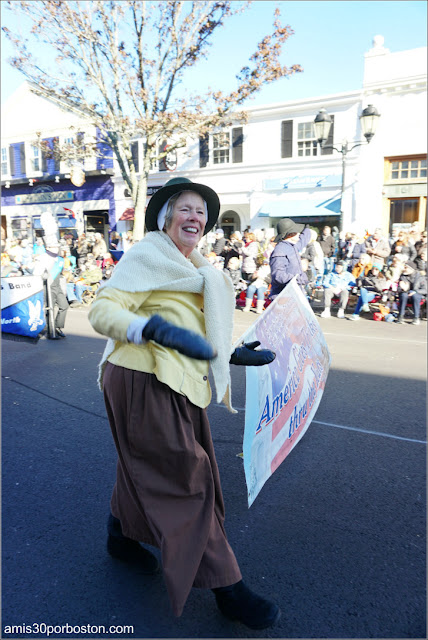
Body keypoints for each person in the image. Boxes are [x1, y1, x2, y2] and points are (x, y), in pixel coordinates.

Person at [88, 176, 280, 629]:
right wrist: (146, 329)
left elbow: (191, 330)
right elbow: (101, 308)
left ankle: (120, 534)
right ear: (165, 216)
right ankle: (226, 587)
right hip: (142, 375)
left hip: (180, 380)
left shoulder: (195, 267)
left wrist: (230, 352)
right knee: (186, 477)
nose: (195, 218)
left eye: (201, 213)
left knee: (146, 463)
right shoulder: (148, 254)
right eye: (186, 209)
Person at [269, 218, 311, 301]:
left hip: (293, 296)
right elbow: (279, 276)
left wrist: (307, 228)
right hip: (283, 299)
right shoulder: (280, 251)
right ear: (290, 234)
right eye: (296, 232)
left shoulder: (292, 246)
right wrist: (299, 278)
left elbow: (304, 239)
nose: (299, 233)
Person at [396, 260, 427, 325]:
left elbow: (425, 290)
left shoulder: (420, 277)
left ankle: (416, 317)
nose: (404, 269)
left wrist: (415, 291)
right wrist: (402, 289)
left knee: (415, 296)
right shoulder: (403, 276)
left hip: (417, 294)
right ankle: (400, 316)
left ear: (411, 269)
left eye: (406, 267)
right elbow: (398, 289)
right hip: (406, 294)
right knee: (403, 295)